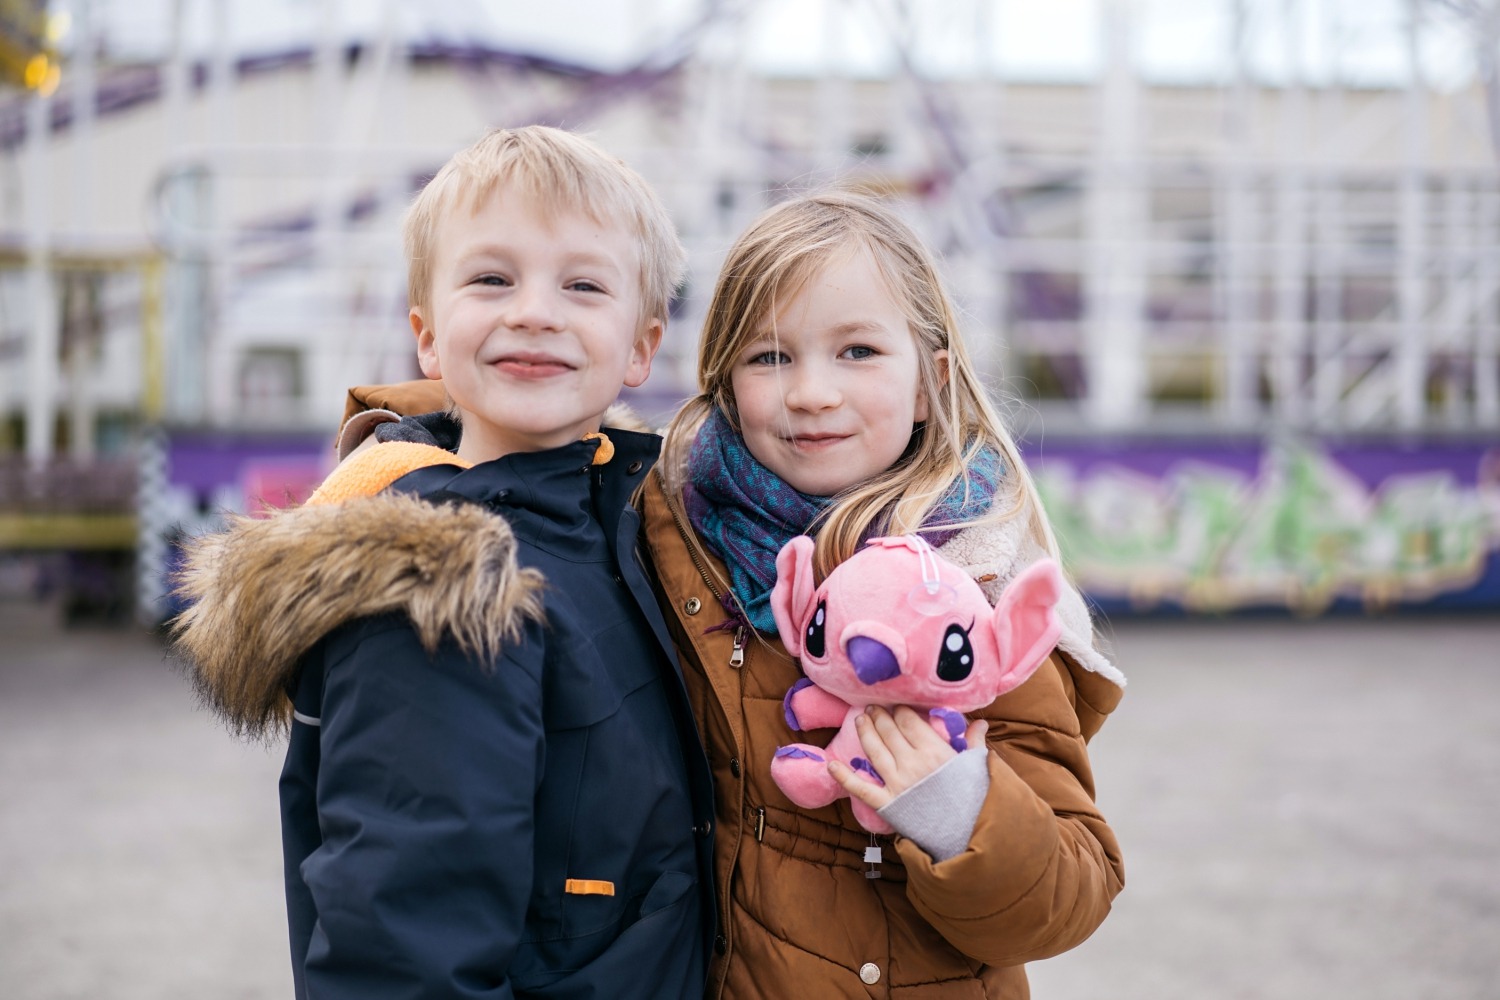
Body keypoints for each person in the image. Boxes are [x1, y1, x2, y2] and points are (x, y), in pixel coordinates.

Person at [340, 190, 1127, 998]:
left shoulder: (976, 586)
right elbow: (536, 431)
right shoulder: (672, 529)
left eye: (857, 351)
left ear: (931, 383)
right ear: (723, 382)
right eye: (771, 357)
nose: (812, 392)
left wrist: (957, 812)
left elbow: (1070, 894)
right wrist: (402, 448)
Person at [170, 125, 715, 999]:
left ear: (642, 346)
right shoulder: (434, 580)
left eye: (582, 284)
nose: (535, 310)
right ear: (427, 336)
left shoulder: (631, 530)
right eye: (492, 279)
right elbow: (402, 944)